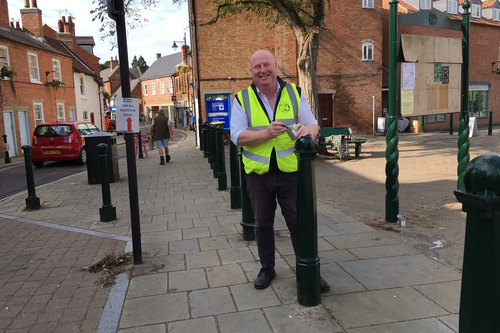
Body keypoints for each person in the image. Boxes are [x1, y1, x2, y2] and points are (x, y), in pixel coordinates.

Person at [230, 49, 330, 292]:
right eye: (257, 67)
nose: (263, 70)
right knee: (262, 225)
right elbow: (236, 136)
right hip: (258, 175)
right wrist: (266, 134)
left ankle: (307, 269)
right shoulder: (242, 98)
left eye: (267, 65)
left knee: (298, 223)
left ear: (275, 66)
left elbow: (313, 123)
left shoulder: (294, 93)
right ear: (251, 71)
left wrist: (310, 133)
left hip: (291, 173)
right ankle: (267, 268)